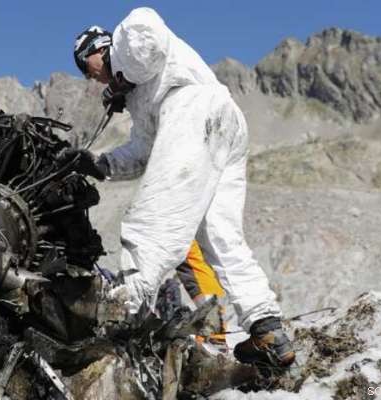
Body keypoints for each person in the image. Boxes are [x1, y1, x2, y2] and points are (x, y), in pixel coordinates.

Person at [71, 8, 295, 368]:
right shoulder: (140, 100)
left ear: (96, 49)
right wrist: (100, 165)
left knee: (150, 221)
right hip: (224, 125)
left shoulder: (128, 37)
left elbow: (148, 29)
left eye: (88, 68)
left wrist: (122, 76)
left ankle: (123, 315)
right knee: (220, 237)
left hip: (194, 108)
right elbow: (144, 150)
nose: (92, 79)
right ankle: (268, 330)